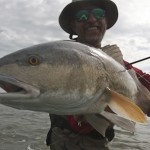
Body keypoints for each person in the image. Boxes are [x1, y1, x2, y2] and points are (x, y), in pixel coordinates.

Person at [46, 0, 150, 149]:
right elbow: (78, 124)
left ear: (106, 22)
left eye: (98, 14)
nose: (91, 19)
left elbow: (145, 80)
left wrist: (143, 100)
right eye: (81, 16)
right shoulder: (59, 58)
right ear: (73, 26)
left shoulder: (118, 64)